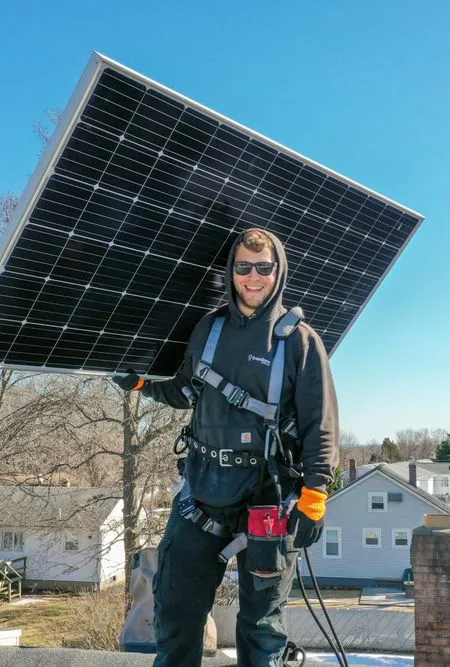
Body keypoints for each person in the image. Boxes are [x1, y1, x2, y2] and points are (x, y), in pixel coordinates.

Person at [114, 227, 339, 667]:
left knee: (261, 628)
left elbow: (322, 424)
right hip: (202, 491)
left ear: (278, 272)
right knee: (175, 612)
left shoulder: (299, 341)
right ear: (231, 271)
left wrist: (314, 497)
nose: (253, 277)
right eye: (243, 267)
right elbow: (185, 391)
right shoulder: (209, 329)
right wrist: (142, 385)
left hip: (267, 499)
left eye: (263, 268)